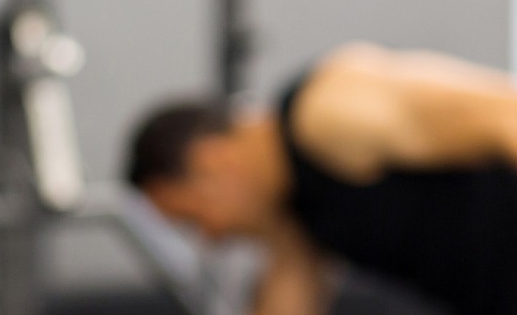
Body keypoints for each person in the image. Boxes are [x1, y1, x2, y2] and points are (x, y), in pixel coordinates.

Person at [126, 43, 517, 315]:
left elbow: (506, 117)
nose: (212, 237)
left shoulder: (327, 111)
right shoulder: (296, 211)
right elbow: (291, 293)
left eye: (194, 218)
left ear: (213, 162)